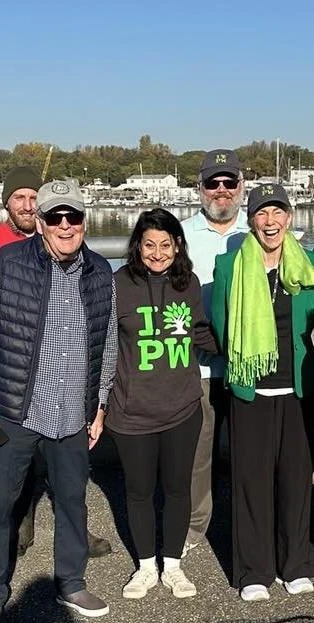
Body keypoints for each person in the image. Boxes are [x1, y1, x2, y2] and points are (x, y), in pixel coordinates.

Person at [0, 179, 118, 623]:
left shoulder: (100, 271)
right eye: (55, 217)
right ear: (41, 223)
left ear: (84, 221)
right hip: (12, 408)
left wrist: (100, 404)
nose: (66, 226)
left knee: (72, 502)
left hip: (73, 410)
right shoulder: (7, 263)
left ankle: (70, 582)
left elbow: (107, 344)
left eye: (73, 217)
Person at [210, 183, 314, 601]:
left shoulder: (309, 264)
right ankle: (254, 570)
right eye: (261, 214)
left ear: (289, 217)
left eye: (277, 212)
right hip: (251, 388)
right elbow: (220, 323)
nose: (270, 222)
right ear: (250, 219)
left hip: (297, 387)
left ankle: (295, 563)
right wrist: (246, 362)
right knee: (251, 482)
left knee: (295, 481)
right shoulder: (229, 266)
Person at [108, 209, 218, 599]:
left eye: (165, 245)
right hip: (131, 410)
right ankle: (144, 566)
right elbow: (103, 345)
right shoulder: (119, 283)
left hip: (182, 407)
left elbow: (200, 332)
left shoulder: (188, 285)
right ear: (138, 245)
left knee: (177, 488)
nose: (157, 253)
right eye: (149, 244)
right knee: (138, 491)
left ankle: (172, 564)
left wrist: (239, 344)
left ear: (177, 246)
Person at [180, 149, 249, 555]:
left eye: (229, 183)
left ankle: (247, 526)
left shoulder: (260, 230)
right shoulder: (182, 234)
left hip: (248, 367)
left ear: (242, 188)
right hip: (198, 366)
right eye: (213, 183)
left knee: (248, 453)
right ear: (200, 188)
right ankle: (193, 527)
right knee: (197, 456)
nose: (221, 192)